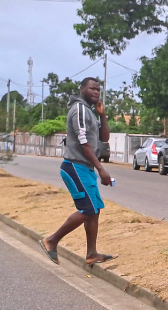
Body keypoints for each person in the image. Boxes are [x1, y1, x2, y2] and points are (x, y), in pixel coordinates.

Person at [39, 78, 114, 266]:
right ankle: (51, 240)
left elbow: (104, 138)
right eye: (92, 88)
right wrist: (101, 169)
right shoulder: (79, 109)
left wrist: (102, 116)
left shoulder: (90, 112)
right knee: (87, 209)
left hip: (84, 169)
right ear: (82, 89)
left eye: (98, 89)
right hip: (75, 167)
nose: (96, 92)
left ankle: (91, 253)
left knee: (94, 210)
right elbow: (84, 144)